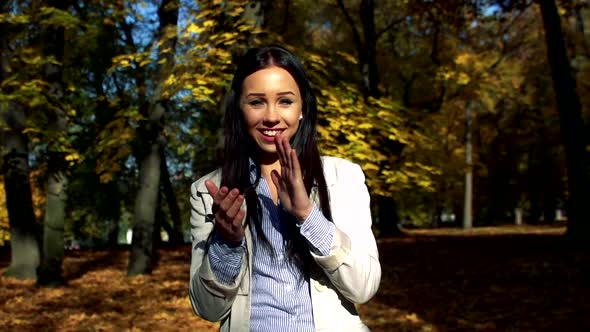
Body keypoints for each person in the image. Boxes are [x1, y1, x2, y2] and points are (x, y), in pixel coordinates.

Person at [188, 45, 381, 332]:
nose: (271, 116)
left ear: (303, 108)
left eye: (285, 101)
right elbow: (208, 309)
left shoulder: (343, 178)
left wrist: (308, 215)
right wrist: (226, 243)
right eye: (256, 102)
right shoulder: (211, 190)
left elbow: (364, 288)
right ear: (239, 109)